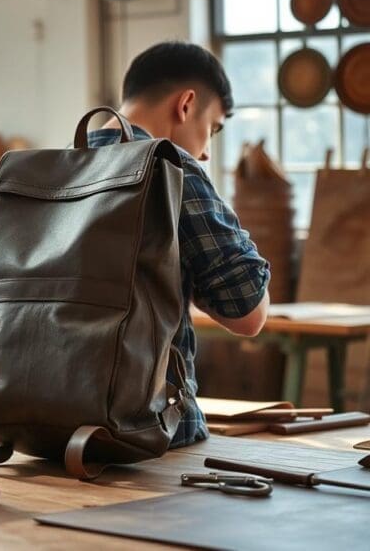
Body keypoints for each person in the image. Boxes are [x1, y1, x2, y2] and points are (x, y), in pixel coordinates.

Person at [88, 41, 271, 448]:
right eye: (213, 128)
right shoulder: (170, 166)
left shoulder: (58, 166)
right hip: (147, 435)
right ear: (186, 105)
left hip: (46, 427)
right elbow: (248, 313)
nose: (206, 151)